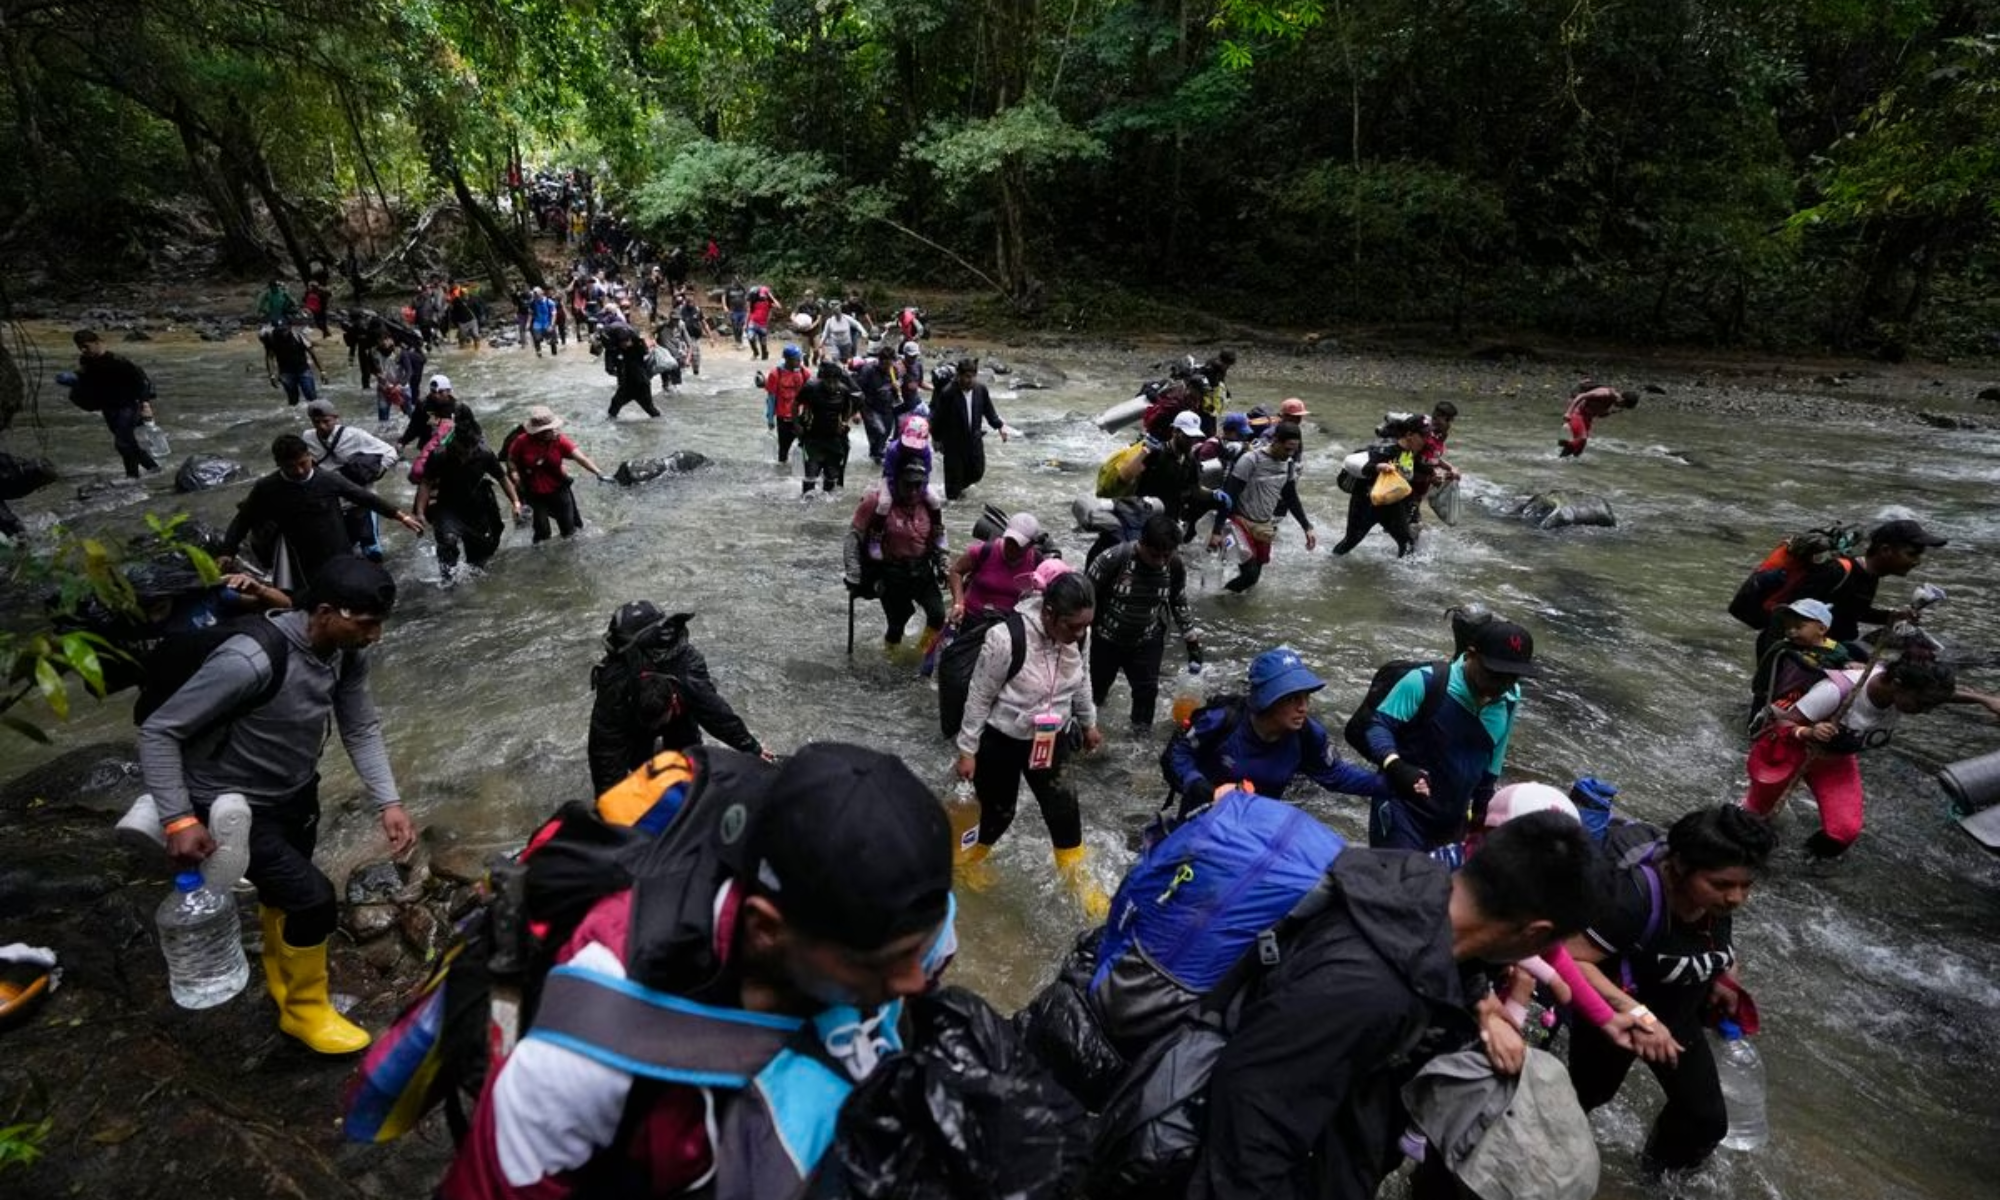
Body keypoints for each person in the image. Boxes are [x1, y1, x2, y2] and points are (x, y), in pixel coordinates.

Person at [439, 743, 955, 1200]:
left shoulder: (896, 922)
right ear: (766, 928)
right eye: (883, 966)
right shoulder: (585, 1049)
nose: (916, 981)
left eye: (925, 948)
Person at [1188, 810, 1603, 1200]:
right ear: (1534, 934)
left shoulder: (1417, 880)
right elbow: (1248, 1132)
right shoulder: (1366, 990)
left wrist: (1481, 1001)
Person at [137, 557, 417, 1054]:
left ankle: (284, 986)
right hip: (229, 803)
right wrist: (178, 817)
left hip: (294, 791)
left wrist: (388, 802)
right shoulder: (250, 659)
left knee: (281, 896)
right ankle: (305, 1014)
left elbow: (360, 726)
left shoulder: (345, 652)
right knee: (313, 900)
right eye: (367, 623)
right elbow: (161, 730)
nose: (375, 636)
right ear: (327, 611)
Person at [1565, 806, 1773, 1176]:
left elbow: (1718, 945)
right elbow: (1570, 960)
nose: (1736, 898)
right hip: (1616, 1017)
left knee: (1704, 1120)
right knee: (1582, 1102)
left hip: (1677, 1014)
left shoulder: (1714, 901)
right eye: (1723, 884)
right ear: (1679, 867)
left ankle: (1650, 1183)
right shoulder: (1633, 898)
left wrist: (1725, 978)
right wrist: (1636, 1014)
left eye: (1746, 885)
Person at [952, 563, 1107, 916]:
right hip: (1002, 739)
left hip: (1051, 737)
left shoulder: (1079, 634)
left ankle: (1079, 885)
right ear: (1049, 613)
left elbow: (1082, 680)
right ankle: (967, 862)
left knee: (1065, 812)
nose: (1081, 633)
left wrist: (1088, 723)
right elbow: (978, 696)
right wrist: (967, 750)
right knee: (998, 814)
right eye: (1073, 626)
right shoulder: (1005, 638)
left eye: (1087, 625)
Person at [1743, 656, 2000, 859]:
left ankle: (1803, 866)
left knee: (1843, 833)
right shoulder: (1837, 691)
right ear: (1898, 684)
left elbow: (1943, 695)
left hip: (1835, 760)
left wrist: (1985, 700)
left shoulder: (1908, 690)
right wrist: (1808, 731)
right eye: (1922, 704)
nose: (1925, 711)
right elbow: (1778, 723)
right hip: (1786, 752)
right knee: (1755, 821)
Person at [1163, 644, 1398, 817]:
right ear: (1268, 699)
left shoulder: (1308, 735)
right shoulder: (1222, 721)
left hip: (1256, 830)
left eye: (1306, 697)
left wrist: (1398, 784)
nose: (1303, 707)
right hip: (1200, 821)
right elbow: (1178, 754)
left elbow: (1337, 775)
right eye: (1293, 698)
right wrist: (1196, 783)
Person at [1363, 619, 1536, 852]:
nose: (1502, 684)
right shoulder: (1425, 682)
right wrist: (1396, 766)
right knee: (1400, 883)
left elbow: (1494, 756)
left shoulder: (1509, 700)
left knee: (1445, 886)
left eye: (1512, 677)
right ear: (1471, 655)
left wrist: (1482, 810)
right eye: (1495, 674)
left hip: (1453, 821)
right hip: (1402, 810)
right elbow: (1377, 726)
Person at [584, 602, 770, 794]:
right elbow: (605, 748)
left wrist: (752, 748)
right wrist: (607, 804)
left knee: (690, 768)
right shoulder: (615, 681)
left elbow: (714, 712)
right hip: (635, 723)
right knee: (639, 771)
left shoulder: (686, 666)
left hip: (679, 716)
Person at [222, 434, 423, 590]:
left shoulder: (327, 479)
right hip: (298, 554)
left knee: (345, 590)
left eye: (303, 463)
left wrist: (401, 516)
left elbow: (364, 497)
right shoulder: (267, 487)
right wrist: (227, 552)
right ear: (279, 464)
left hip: (336, 546)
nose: (300, 471)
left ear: (310, 457)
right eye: (291, 467)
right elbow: (244, 519)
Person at [1085, 515, 1200, 732]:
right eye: (1155, 555)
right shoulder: (1113, 559)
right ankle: (1089, 732)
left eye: (1167, 555)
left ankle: (1139, 742)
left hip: (1147, 639)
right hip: (1106, 639)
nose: (1160, 562)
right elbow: (1084, 600)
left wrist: (1191, 640)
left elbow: (1178, 600)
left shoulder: (1173, 566)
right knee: (1095, 692)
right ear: (1142, 543)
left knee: (1147, 693)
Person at [1778, 518, 1947, 656]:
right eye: (1911, 554)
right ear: (1886, 550)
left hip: (1829, 650)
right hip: (1803, 655)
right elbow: (1787, 612)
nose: (1917, 561)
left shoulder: (1870, 576)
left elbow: (1853, 612)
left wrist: (1894, 616)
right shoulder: (1837, 571)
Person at [845, 460, 948, 653]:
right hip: (891, 572)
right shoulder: (876, 503)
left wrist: (943, 563)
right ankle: (891, 656)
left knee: (937, 615)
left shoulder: (929, 504)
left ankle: (922, 654)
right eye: (907, 485)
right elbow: (853, 537)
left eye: (918, 485)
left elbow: (940, 534)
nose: (913, 492)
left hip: (921, 569)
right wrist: (853, 572)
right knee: (898, 622)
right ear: (896, 482)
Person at [1208, 421, 1315, 594]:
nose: (1290, 453)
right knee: (1249, 575)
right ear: (1275, 440)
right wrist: (1217, 530)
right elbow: (1230, 495)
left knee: (1254, 579)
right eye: (1287, 448)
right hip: (1239, 521)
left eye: (1294, 449)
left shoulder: (1288, 465)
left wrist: (1306, 527)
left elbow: (1291, 497)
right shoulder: (1251, 460)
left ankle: (1231, 604)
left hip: (1264, 524)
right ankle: (1219, 600)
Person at [413, 423, 522, 584]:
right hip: (447, 506)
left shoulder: (484, 454)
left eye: (471, 449)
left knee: (478, 558)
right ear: (454, 442)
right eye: (462, 449)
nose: (466, 454)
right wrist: (420, 512)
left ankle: (473, 589)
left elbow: (502, 478)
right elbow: (426, 483)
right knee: (447, 541)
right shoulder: (439, 455)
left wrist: (516, 502)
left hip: (477, 506)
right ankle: (448, 582)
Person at [304, 401, 399, 560]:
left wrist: (375, 474)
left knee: (371, 550)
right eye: (316, 422)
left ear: (336, 418)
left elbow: (390, 452)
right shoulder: (308, 437)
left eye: (326, 421)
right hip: (332, 502)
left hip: (362, 500)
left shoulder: (355, 435)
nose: (321, 426)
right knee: (340, 549)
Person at [68, 329, 161, 478]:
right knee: (128, 443)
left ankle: (138, 474)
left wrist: (146, 405)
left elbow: (142, 381)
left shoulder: (117, 361)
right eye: (80, 347)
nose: (83, 350)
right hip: (109, 407)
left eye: (86, 346)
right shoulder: (85, 361)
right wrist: (74, 381)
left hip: (129, 405)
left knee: (122, 442)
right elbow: (88, 382)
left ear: (97, 343)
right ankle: (147, 471)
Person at [1332, 414, 1427, 558]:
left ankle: (1404, 578)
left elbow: (1411, 474)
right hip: (1365, 504)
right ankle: (1329, 565)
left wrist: (1438, 474)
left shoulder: (1408, 453)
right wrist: (1378, 467)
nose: (1426, 441)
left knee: (1407, 544)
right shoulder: (1385, 450)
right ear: (1409, 435)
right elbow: (1365, 468)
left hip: (1391, 506)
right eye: (1423, 436)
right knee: (1350, 542)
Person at [506, 406, 606, 542]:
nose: (553, 431)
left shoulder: (560, 441)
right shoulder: (521, 441)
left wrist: (598, 472)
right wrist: (514, 472)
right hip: (534, 493)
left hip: (558, 489)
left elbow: (581, 458)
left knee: (569, 530)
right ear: (538, 432)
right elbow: (511, 459)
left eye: (552, 428)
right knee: (542, 533)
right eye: (548, 430)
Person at [1747, 597, 1850, 717]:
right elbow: (1763, 675)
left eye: (1798, 627)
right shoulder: (1782, 648)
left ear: (1821, 629)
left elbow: (1845, 676)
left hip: (1815, 699)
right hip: (1782, 697)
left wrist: (1850, 665)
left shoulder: (1836, 652)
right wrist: (1760, 698)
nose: (1791, 631)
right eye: (1788, 626)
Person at [930, 358, 1008, 501]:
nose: (970, 380)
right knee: (953, 490)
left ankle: (960, 488)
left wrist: (999, 426)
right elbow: (938, 419)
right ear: (958, 375)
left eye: (972, 376)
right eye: (966, 377)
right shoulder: (948, 393)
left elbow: (989, 411)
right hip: (954, 444)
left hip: (974, 440)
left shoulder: (980, 390)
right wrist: (936, 439)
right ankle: (953, 514)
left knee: (977, 472)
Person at [946, 512, 1043, 624]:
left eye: (1017, 544)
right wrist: (958, 603)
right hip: (974, 618)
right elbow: (956, 571)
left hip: (1009, 625)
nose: (1011, 547)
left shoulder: (1037, 563)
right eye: (1009, 540)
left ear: (1031, 544)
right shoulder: (983, 551)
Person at [796, 361, 859, 496]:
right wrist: (796, 424)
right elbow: (795, 404)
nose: (831, 385)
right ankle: (806, 503)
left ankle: (827, 503)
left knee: (832, 475)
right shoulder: (811, 388)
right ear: (822, 379)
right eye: (828, 382)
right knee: (811, 473)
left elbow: (848, 408)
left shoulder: (844, 391)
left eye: (834, 382)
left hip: (834, 438)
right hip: (813, 437)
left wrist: (844, 422)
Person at [261, 316, 325, 407]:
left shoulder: (299, 336)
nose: (283, 333)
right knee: (293, 400)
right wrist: (272, 375)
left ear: (289, 327)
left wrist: (322, 371)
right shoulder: (272, 339)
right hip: (286, 372)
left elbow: (313, 353)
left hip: (303, 370)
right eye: (280, 330)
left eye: (284, 330)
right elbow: (269, 358)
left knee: (311, 397)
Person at [1558, 384, 1637, 458]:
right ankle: (1562, 452)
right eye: (1623, 405)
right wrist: (1568, 412)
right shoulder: (1605, 394)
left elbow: (1599, 415)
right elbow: (1581, 396)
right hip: (1578, 414)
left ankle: (1566, 462)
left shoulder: (1611, 401)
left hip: (1587, 419)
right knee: (1582, 439)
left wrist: (1611, 412)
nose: (1621, 407)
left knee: (1579, 450)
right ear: (1622, 399)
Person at [603, 325, 661, 420]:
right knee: (614, 404)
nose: (625, 344)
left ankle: (661, 424)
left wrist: (642, 341)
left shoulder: (637, 347)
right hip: (627, 385)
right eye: (623, 342)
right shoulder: (618, 350)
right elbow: (610, 364)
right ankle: (610, 426)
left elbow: (644, 347)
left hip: (641, 385)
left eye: (627, 341)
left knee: (650, 409)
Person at [764, 345, 810, 464]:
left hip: (801, 418)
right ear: (787, 359)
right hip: (784, 420)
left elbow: (811, 396)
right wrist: (770, 419)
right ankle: (782, 477)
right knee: (783, 452)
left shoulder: (804, 373)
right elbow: (771, 398)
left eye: (800, 358)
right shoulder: (776, 374)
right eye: (797, 359)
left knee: (807, 449)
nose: (800, 361)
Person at [745, 282, 782, 360]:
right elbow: (748, 312)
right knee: (750, 338)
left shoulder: (768, 302)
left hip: (763, 325)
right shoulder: (753, 302)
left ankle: (764, 353)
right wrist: (745, 324)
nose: (763, 296)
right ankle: (755, 352)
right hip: (753, 322)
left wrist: (770, 296)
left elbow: (779, 306)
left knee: (763, 344)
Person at [527, 287, 560, 357]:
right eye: (535, 296)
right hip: (537, 324)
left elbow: (554, 315)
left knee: (552, 342)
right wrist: (528, 323)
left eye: (537, 296)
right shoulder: (533, 303)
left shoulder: (550, 302)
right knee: (537, 340)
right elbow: (530, 314)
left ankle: (554, 356)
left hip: (548, 324)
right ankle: (539, 355)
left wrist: (552, 325)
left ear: (542, 294)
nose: (536, 297)